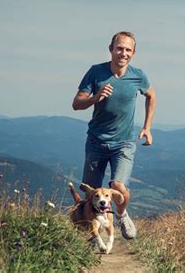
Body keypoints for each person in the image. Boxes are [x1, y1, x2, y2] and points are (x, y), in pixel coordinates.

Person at [72, 31, 156, 240]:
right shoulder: (95, 72)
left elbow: (151, 96)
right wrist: (95, 98)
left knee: (118, 187)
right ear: (111, 49)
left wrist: (147, 127)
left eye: (128, 50)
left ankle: (121, 214)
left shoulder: (138, 76)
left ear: (133, 53)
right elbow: (76, 104)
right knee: (90, 193)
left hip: (124, 143)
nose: (123, 53)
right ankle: (93, 235)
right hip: (96, 141)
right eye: (119, 48)